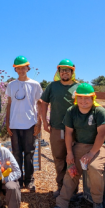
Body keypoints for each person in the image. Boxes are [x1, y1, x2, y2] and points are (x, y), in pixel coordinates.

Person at [48, 83, 105, 208]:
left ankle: (97, 202)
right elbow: (69, 133)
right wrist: (69, 153)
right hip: (80, 145)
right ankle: (62, 204)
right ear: (76, 98)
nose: (83, 101)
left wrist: (91, 153)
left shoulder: (99, 111)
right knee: (71, 170)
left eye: (87, 98)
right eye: (80, 98)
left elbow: (101, 134)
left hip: (98, 146)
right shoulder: (72, 111)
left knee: (94, 168)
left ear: (93, 98)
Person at [40, 59, 79, 197]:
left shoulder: (78, 87)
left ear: (72, 72)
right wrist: (44, 121)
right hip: (56, 128)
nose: (64, 72)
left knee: (73, 158)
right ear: (59, 72)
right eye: (62, 70)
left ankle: (73, 189)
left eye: (67, 70)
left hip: (75, 130)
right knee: (58, 158)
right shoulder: (52, 86)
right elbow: (43, 103)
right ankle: (61, 186)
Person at [5, 56, 42, 192]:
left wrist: (39, 123)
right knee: (16, 154)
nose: (21, 70)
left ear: (28, 68)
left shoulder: (35, 84)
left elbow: (39, 104)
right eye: (18, 68)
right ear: (15, 69)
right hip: (14, 125)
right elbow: (9, 105)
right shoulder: (11, 85)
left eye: (23, 67)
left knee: (29, 153)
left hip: (30, 124)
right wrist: (7, 123)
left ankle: (29, 180)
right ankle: (18, 180)